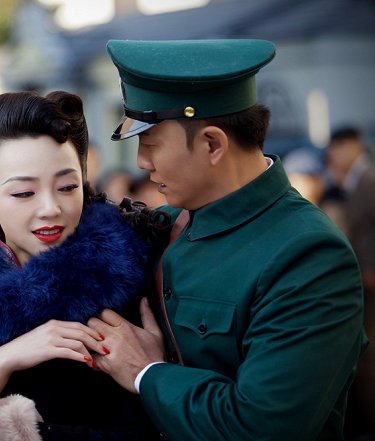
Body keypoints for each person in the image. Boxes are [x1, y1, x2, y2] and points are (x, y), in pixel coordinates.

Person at [85, 39, 366, 441]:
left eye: (150, 145)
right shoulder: (162, 224)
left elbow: (261, 428)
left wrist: (147, 374)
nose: (141, 163)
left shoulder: (309, 255)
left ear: (213, 144)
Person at [0, 90, 171, 441]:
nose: (51, 208)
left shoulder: (123, 282)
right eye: (24, 193)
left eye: (67, 187)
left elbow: (145, 430)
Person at [325, 127, 375, 440]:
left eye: (338, 148)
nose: (334, 156)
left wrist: (370, 268)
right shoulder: (356, 181)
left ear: (354, 145)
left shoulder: (369, 179)